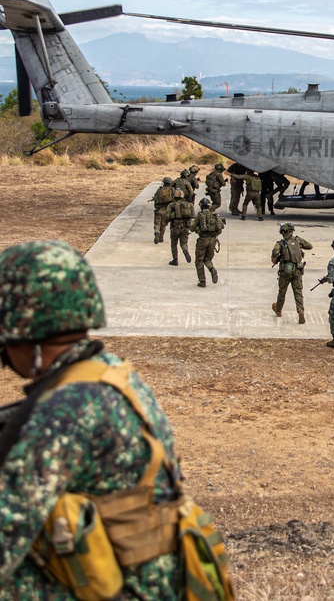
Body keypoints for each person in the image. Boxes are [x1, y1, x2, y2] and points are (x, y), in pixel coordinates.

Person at [0, 240, 233, 599]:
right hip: (159, 581)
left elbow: (9, 525)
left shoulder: (64, 411)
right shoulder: (112, 374)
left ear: (20, 327)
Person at [271, 222, 313, 324]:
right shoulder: (298, 240)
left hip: (286, 271)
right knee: (298, 292)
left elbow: (274, 256)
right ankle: (300, 312)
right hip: (298, 270)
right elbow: (310, 246)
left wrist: (276, 260)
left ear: (282, 232)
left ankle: (279, 309)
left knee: (282, 292)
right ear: (292, 231)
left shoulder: (280, 244)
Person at [193, 197, 226, 288]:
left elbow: (192, 228)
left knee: (199, 260)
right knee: (207, 259)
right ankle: (212, 269)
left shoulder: (200, 215)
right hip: (213, 240)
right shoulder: (214, 215)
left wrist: (197, 228)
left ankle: (202, 281)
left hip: (203, 240)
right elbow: (221, 226)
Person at [165, 188, 195, 266]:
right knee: (184, 243)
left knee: (174, 243)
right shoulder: (189, 205)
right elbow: (193, 216)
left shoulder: (171, 205)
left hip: (175, 227)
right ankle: (185, 250)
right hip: (185, 227)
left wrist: (165, 222)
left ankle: (175, 260)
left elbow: (167, 216)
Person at [151, 176, 174, 244]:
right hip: (167, 210)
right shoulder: (172, 190)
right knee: (163, 224)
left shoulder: (160, 190)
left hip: (159, 210)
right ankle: (161, 238)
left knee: (157, 223)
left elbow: (155, 198)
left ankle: (157, 232)